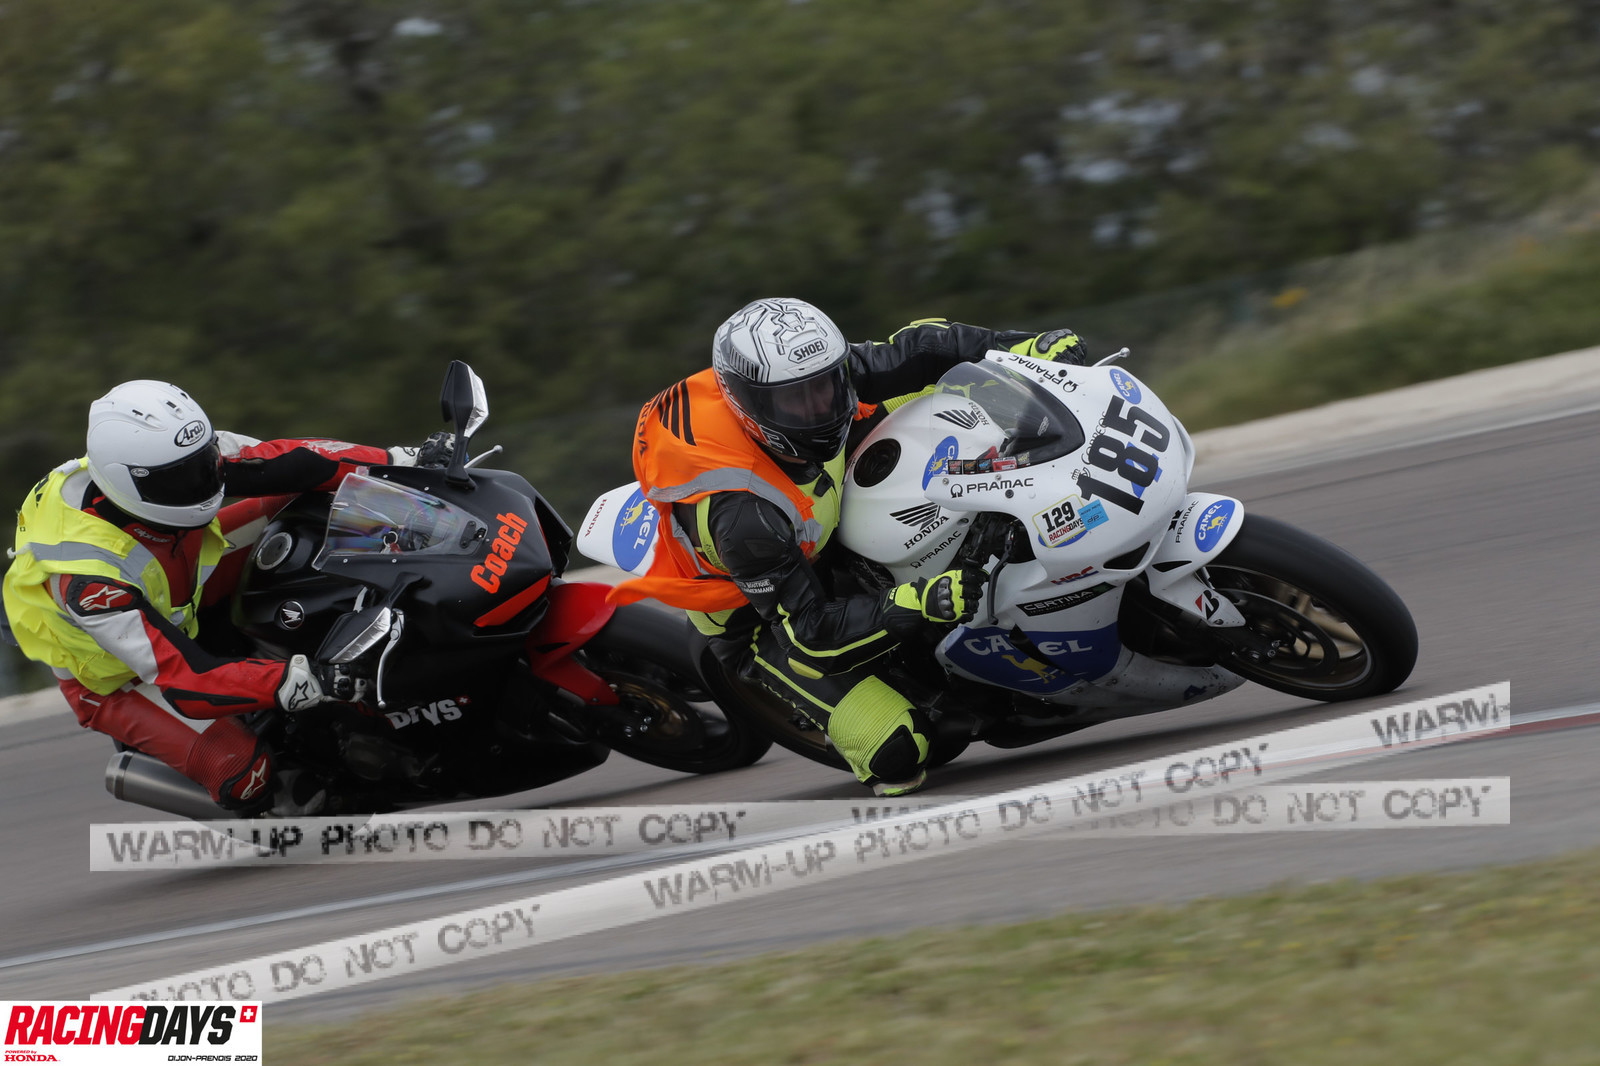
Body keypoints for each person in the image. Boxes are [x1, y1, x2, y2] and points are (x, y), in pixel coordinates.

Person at [609, 298, 1086, 795]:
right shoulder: (742, 516)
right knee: (901, 752)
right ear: (749, 406)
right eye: (797, 401)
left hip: (813, 514)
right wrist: (919, 601)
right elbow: (809, 633)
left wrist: (1024, 349)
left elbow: (921, 348)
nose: (820, 407)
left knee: (958, 389)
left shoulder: (810, 376)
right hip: (758, 618)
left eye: (828, 385)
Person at [0, 380, 449, 815]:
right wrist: (294, 680)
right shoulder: (88, 579)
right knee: (242, 773)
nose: (202, 485)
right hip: (123, 675)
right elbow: (186, 679)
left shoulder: (170, 458)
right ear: (127, 483)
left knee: (303, 505)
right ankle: (272, 794)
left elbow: (295, 460)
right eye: (180, 479)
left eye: (204, 464)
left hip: (179, 575)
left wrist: (400, 461)